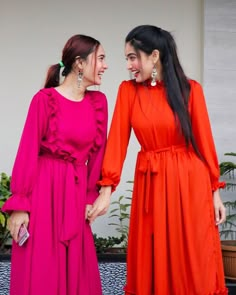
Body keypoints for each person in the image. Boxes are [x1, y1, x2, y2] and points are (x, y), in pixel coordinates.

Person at [88, 25, 228, 295]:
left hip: (190, 185)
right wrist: (106, 191)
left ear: (154, 56)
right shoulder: (128, 91)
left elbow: (204, 144)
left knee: (192, 258)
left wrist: (215, 193)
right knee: (153, 258)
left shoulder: (191, 90)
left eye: (133, 57)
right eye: (127, 58)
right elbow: (116, 142)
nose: (129, 65)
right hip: (151, 185)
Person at [1, 34, 109, 295]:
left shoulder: (99, 103)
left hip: (75, 195)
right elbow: (27, 152)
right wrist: (20, 205)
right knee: (42, 268)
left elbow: (98, 156)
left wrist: (91, 196)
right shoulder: (44, 100)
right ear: (80, 63)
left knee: (79, 271)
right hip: (43, 194)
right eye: (101, 58)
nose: (105, 65)